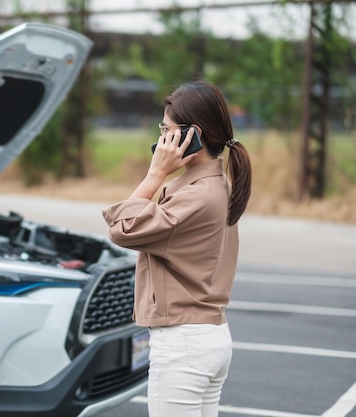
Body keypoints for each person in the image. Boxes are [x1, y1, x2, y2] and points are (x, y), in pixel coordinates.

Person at [101, 80, 252, 417]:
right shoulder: (215, 184)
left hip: (184, 344)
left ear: (191, 135)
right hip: (208, 336)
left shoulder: (194, 196)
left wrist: (155, 173)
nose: (161, 140)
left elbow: (123, 229)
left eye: (166, 130)